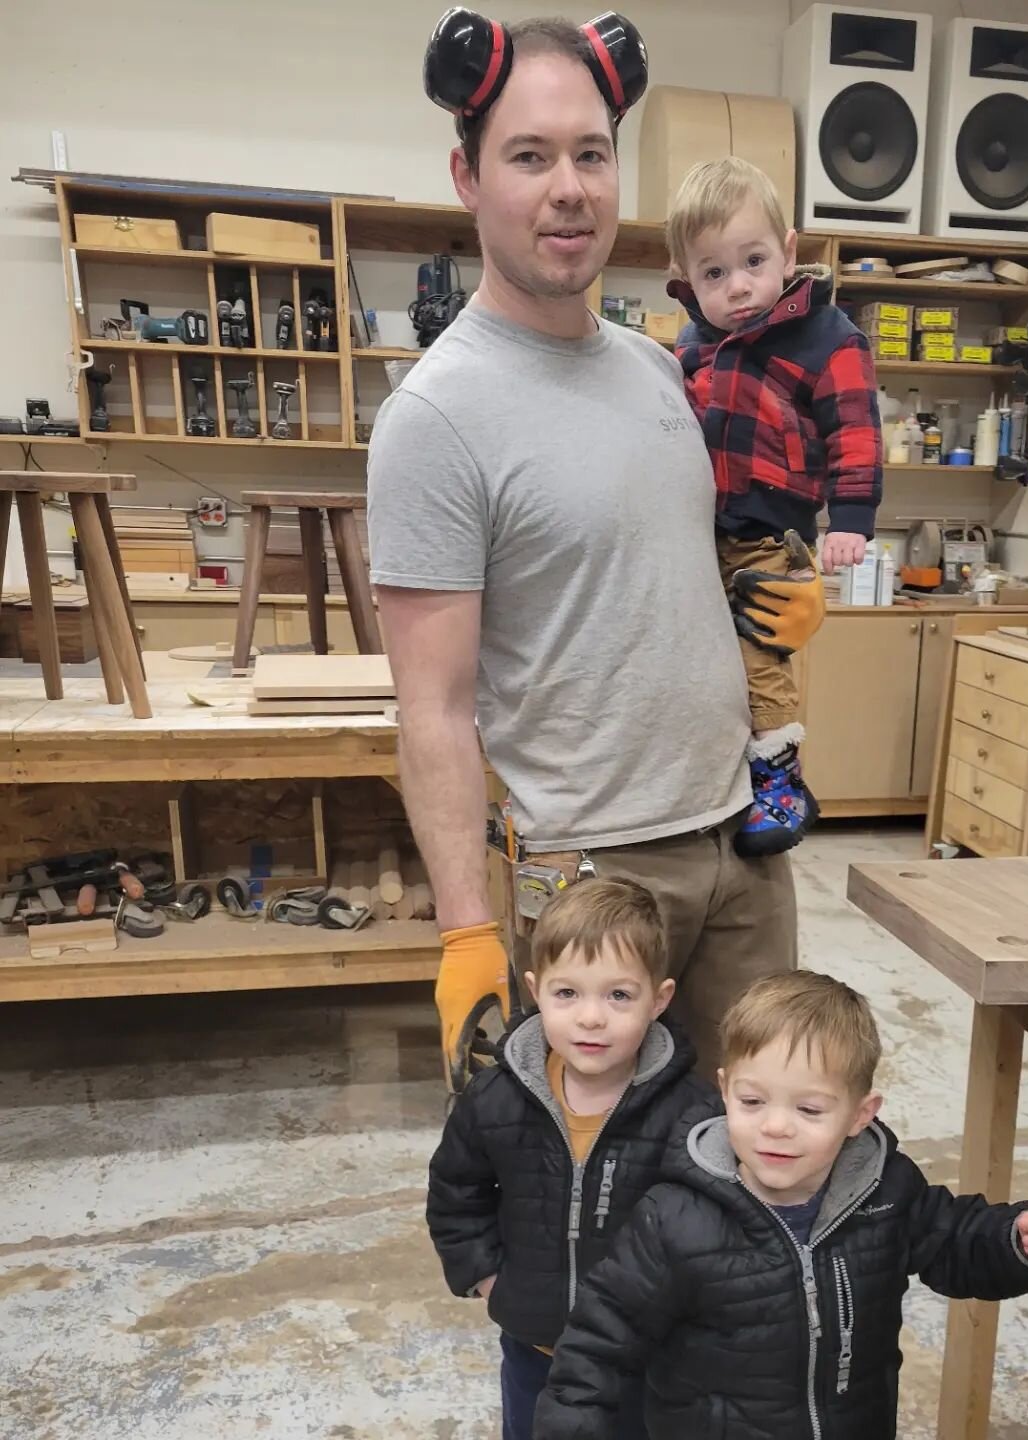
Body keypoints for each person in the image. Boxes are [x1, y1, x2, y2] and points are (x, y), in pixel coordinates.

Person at [367, 10, 822, 1096]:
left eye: (590, 153)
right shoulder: (437, 416)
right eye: (529, 156)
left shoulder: (664, 371)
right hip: (593, 883)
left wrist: (774, 591)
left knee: (759, 1168)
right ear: (468, 177)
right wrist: (467, 934)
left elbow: (676, 572)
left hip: (741, 846)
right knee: (595, 1200)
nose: (567, 186)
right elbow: (431, 708)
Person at [534, 970, 1028, 1440]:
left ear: (861, 1115)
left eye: (809, 1109)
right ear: (724, 1091)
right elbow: (600, 1340)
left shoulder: (885, 1194)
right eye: (752, 1101)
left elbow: (958, 1241)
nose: (775, 1125)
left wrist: (1016, 1241)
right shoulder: (674, 1219)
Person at [427, 877, 718, 1440]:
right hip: (536, 1349)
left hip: (645, 1356)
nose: (591, 1018)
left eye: (618, 995)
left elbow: (713, 1225)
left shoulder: (692, 1112)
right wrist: (490, 1281)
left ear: (659, 999)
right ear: (536, 991)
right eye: (568, 994)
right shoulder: (497, 1099)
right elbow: (454, 1194)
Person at [666, 157, 883, 857]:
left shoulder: (826, 336)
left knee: (762, 656)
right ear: (689, 279)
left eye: (753, 261)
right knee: (705, 662)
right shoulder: (695, 343)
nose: (737, 288)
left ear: (788, 253)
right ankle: (721, 772)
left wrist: (850, 520)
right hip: (703, 532)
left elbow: (855, 428)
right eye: (713, 274)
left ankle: (782, 781)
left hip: (771, 533)